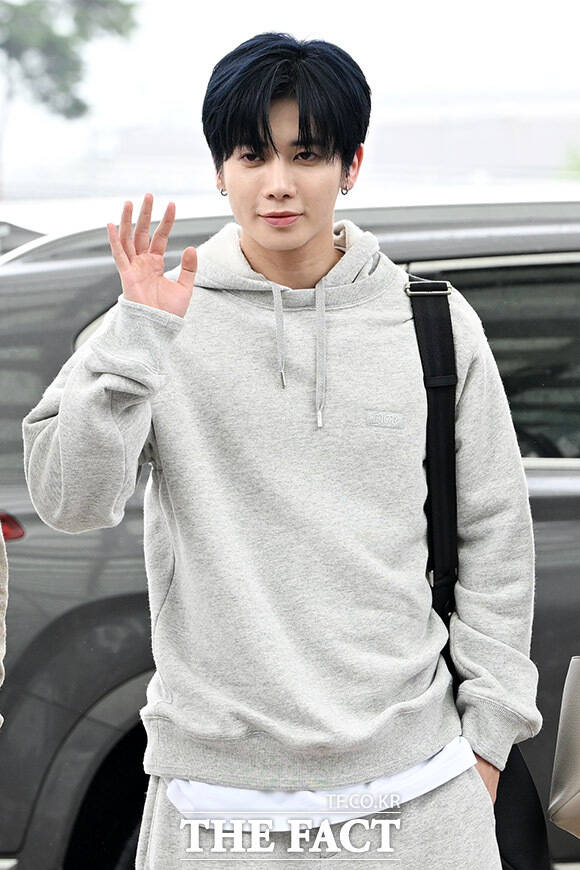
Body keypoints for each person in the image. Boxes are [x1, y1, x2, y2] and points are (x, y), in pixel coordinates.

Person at [21, 31, 543, 869]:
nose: (278, 183)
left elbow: (497, 538)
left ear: (351, 165)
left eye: (307, 154)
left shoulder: (434, 322)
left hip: (416, 789)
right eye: (252, 154)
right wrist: (136, 339)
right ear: (219, 169)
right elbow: (70, 501)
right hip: (214, 798)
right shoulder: (157, 321)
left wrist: (484, 746)